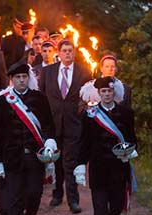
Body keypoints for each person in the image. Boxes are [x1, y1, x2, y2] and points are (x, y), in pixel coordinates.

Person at [0, 63, 57, 214]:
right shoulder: (3, 101)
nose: (21, 80)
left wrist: (49, 142)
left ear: (28, 78)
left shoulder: (40, 98)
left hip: (35, 157)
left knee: (34, 195)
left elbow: (48, 125)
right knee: (15, 200)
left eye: (24, 77)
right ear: (11, 80)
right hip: (12, 158)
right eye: (17, 77)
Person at [39, 39, 92, 213]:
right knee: (56, 162)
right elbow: (40, 98)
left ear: (74, 52)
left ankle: (73, 201)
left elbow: (87, 98)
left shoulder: (84, 72)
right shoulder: (47, 72)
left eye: (70, 50)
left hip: (73, 124)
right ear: (59, 53)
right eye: (64, 50)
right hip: (52, 125)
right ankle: (57, 194)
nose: (67, 53)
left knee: (70, 163)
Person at [74, 76, 138, 215]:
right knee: (100, 209)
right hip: (98, 169)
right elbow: (84, 141)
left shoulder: (126, 113)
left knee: (116, 208)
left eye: (109, 91)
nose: (107, 94)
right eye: (104, 91)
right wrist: (80, 164)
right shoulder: (90, 114)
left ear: (114, 92)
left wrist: (132, 150)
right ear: (99, 93)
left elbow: (131, 137)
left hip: (119, 168)